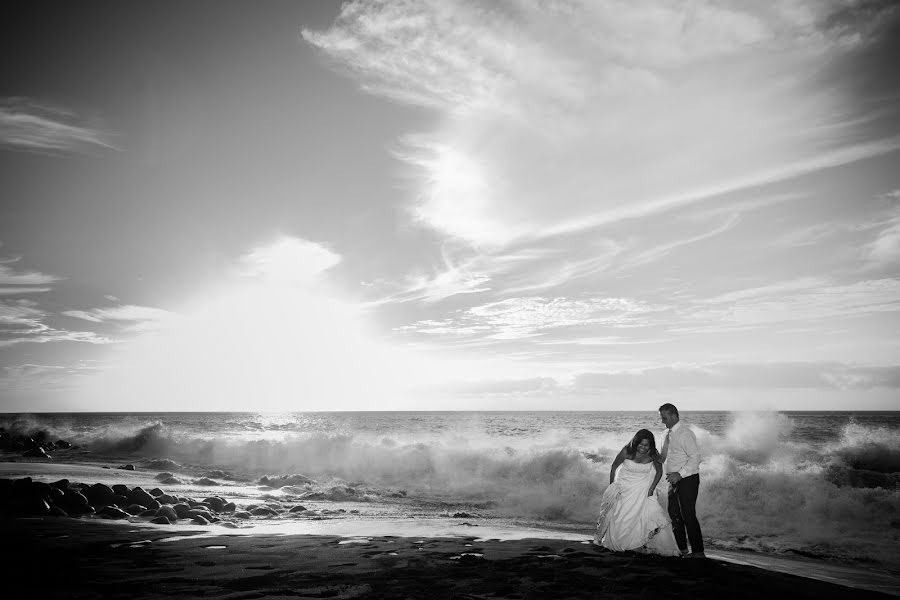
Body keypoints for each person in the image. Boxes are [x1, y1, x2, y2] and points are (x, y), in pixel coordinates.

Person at [594, 429, 681, 556]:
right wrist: (612, 486)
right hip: (624, 487)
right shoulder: (627, 451)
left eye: (646, 445)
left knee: (652, 513)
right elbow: (614, 467)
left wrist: (652, 488)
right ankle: (623, 542)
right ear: (635, 442)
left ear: (650, 445)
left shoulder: (652, 454)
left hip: (643, 488)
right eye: (640, 444)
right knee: (621, 517)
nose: (643, 447)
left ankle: (639, 542)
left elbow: (659, 471)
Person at [658, 402, 705, 558]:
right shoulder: (666, 434)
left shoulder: (685, 433)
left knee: (688, 515)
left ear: (673, 415)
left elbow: (696, 458)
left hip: (688, 479)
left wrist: (679, 474)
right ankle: (682, 550)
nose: (662, 421)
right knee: (674, 515)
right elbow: (663, 457)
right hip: (673, 480)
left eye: (664, 418)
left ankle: (698, 552)